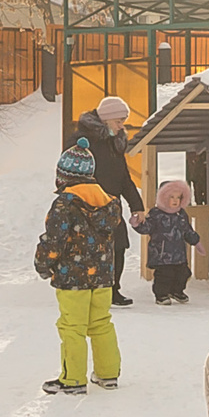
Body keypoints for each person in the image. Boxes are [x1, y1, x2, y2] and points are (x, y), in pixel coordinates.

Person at [36, 135, 127, 395]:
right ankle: (108, 374)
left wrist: (43, 264)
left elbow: (53, 241)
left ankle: (72, 379)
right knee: (100, 323)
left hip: (71, 278)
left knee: (72, 327)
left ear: (63, 176)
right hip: (102, 278)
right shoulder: (109, 204)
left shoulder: (64, 205)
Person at [72, 94, 147, 304]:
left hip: (111, 207)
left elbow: (124, 178)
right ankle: (91, 290)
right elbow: (69, 173)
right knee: (91, 249)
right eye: (118, 121)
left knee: (119, 246)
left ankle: (112, 290)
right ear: (105, 119)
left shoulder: (115, 142)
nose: (122, 125)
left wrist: (137, 205)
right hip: (88, 207)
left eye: (123, 121)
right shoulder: (81, 141)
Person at [132, 178, 203, 304]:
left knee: (184, 273)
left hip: (179, 254)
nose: (175, 200)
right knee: (165, 275)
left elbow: (187, 230)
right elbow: (147, 227)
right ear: (163, 198)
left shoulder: (181, 215)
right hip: (161, 254)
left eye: (178, 197)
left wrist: (196, 242)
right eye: (172, 197)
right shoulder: (156, 214)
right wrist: (137, 224)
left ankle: (177, 291)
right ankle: (161, 294)